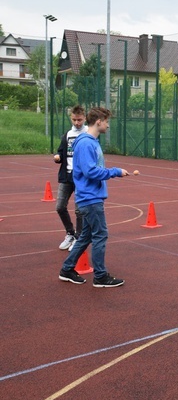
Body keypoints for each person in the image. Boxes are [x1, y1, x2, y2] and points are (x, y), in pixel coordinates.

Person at [58, 107, 129, 288]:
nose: (107, 125)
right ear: (98, 121)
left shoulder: (91, 142)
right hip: (90, 199)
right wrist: (115, 172)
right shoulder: (86, 143)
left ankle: (67, 269)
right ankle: (100, 276)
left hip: (90, 197)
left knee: (86, 236)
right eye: (106, 122)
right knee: (100, 235)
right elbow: (89, 171)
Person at [53, 105, 87, 250]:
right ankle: (70, 233)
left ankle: (79, 238)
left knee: (79, 210)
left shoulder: (88, 134)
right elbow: (61, 152)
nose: (77, 123)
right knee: (60, 207)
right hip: (66, 176)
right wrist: (58, 157)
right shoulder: (67, 135)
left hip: (81, 177)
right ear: (71, 118)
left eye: (79, 120)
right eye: (74, 120)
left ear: (84, 118)